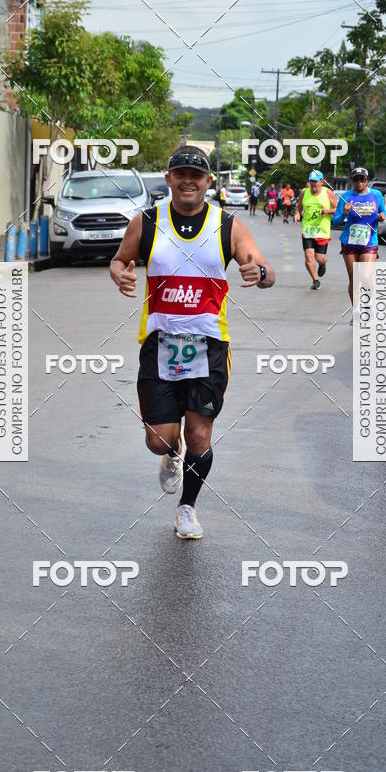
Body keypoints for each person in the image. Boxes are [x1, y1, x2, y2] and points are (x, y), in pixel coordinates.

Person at [110, 145, 275, 540]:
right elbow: (119, 260)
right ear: (168, 179)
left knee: (200, 435)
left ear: (208, 182)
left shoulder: (227, 226)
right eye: (180, 173)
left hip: (209, 347)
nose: (188, 180)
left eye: (196, 175)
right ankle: (170, 454)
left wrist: (260, 271)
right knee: (159, 438)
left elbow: (266, 272)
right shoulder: (147, 223)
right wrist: (120, 274)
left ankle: (187, 508)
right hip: (159, 345)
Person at [332, 166, 386, 313]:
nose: (359, 183)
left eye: (362, 179)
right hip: (349, 242)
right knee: (354, 279)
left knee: (366, 277)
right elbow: (335, 221)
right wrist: (344, 213)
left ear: (367, 180)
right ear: (352, 180)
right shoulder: (345, 196)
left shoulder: (376, 195)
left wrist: (381, 217)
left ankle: (367, 307)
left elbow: (382, 213)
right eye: (356, 179)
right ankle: (356, 310)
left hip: (369, 242)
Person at [293, 170, 337, 289]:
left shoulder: (328, 193)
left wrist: (328, 211)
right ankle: (315, 280)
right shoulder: (304, 192)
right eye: (311, 181)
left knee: (320, 258)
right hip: (308, 229)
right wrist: (297, 214)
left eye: (315, 181)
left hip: (322, 230)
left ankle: (322, 265)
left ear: (321, 182)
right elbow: (299, 207)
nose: (313, 183)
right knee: (308, 255)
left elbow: (337, 209)